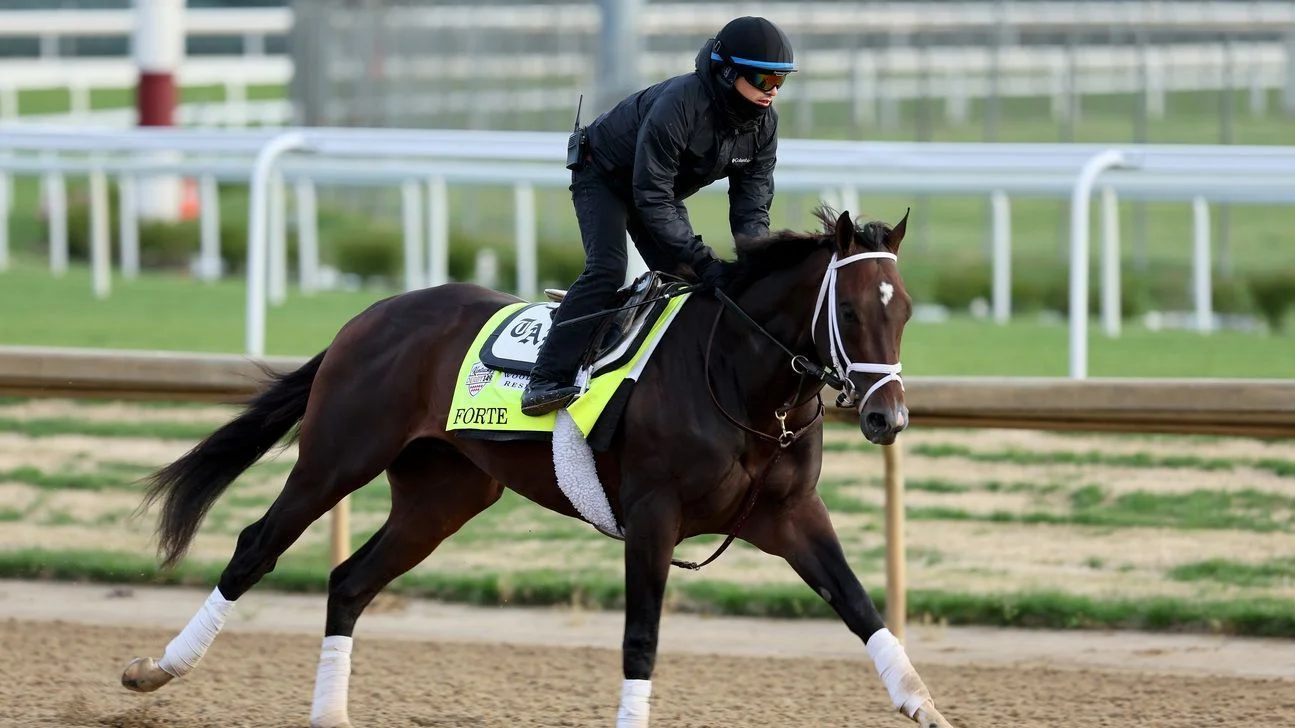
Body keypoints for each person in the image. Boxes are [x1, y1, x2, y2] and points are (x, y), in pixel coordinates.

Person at [520, 15, 797, 416]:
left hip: (654, 189)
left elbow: (752, 207)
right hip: (603, 175)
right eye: (762, 81)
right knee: (608, 268)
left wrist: (754, 262)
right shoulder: (680, 105)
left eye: (779, 82)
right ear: (727, 73)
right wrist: (704, 259)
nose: (772, 92)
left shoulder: (763, 126)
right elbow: (650, 197)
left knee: (687, 282)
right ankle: (547, 377)